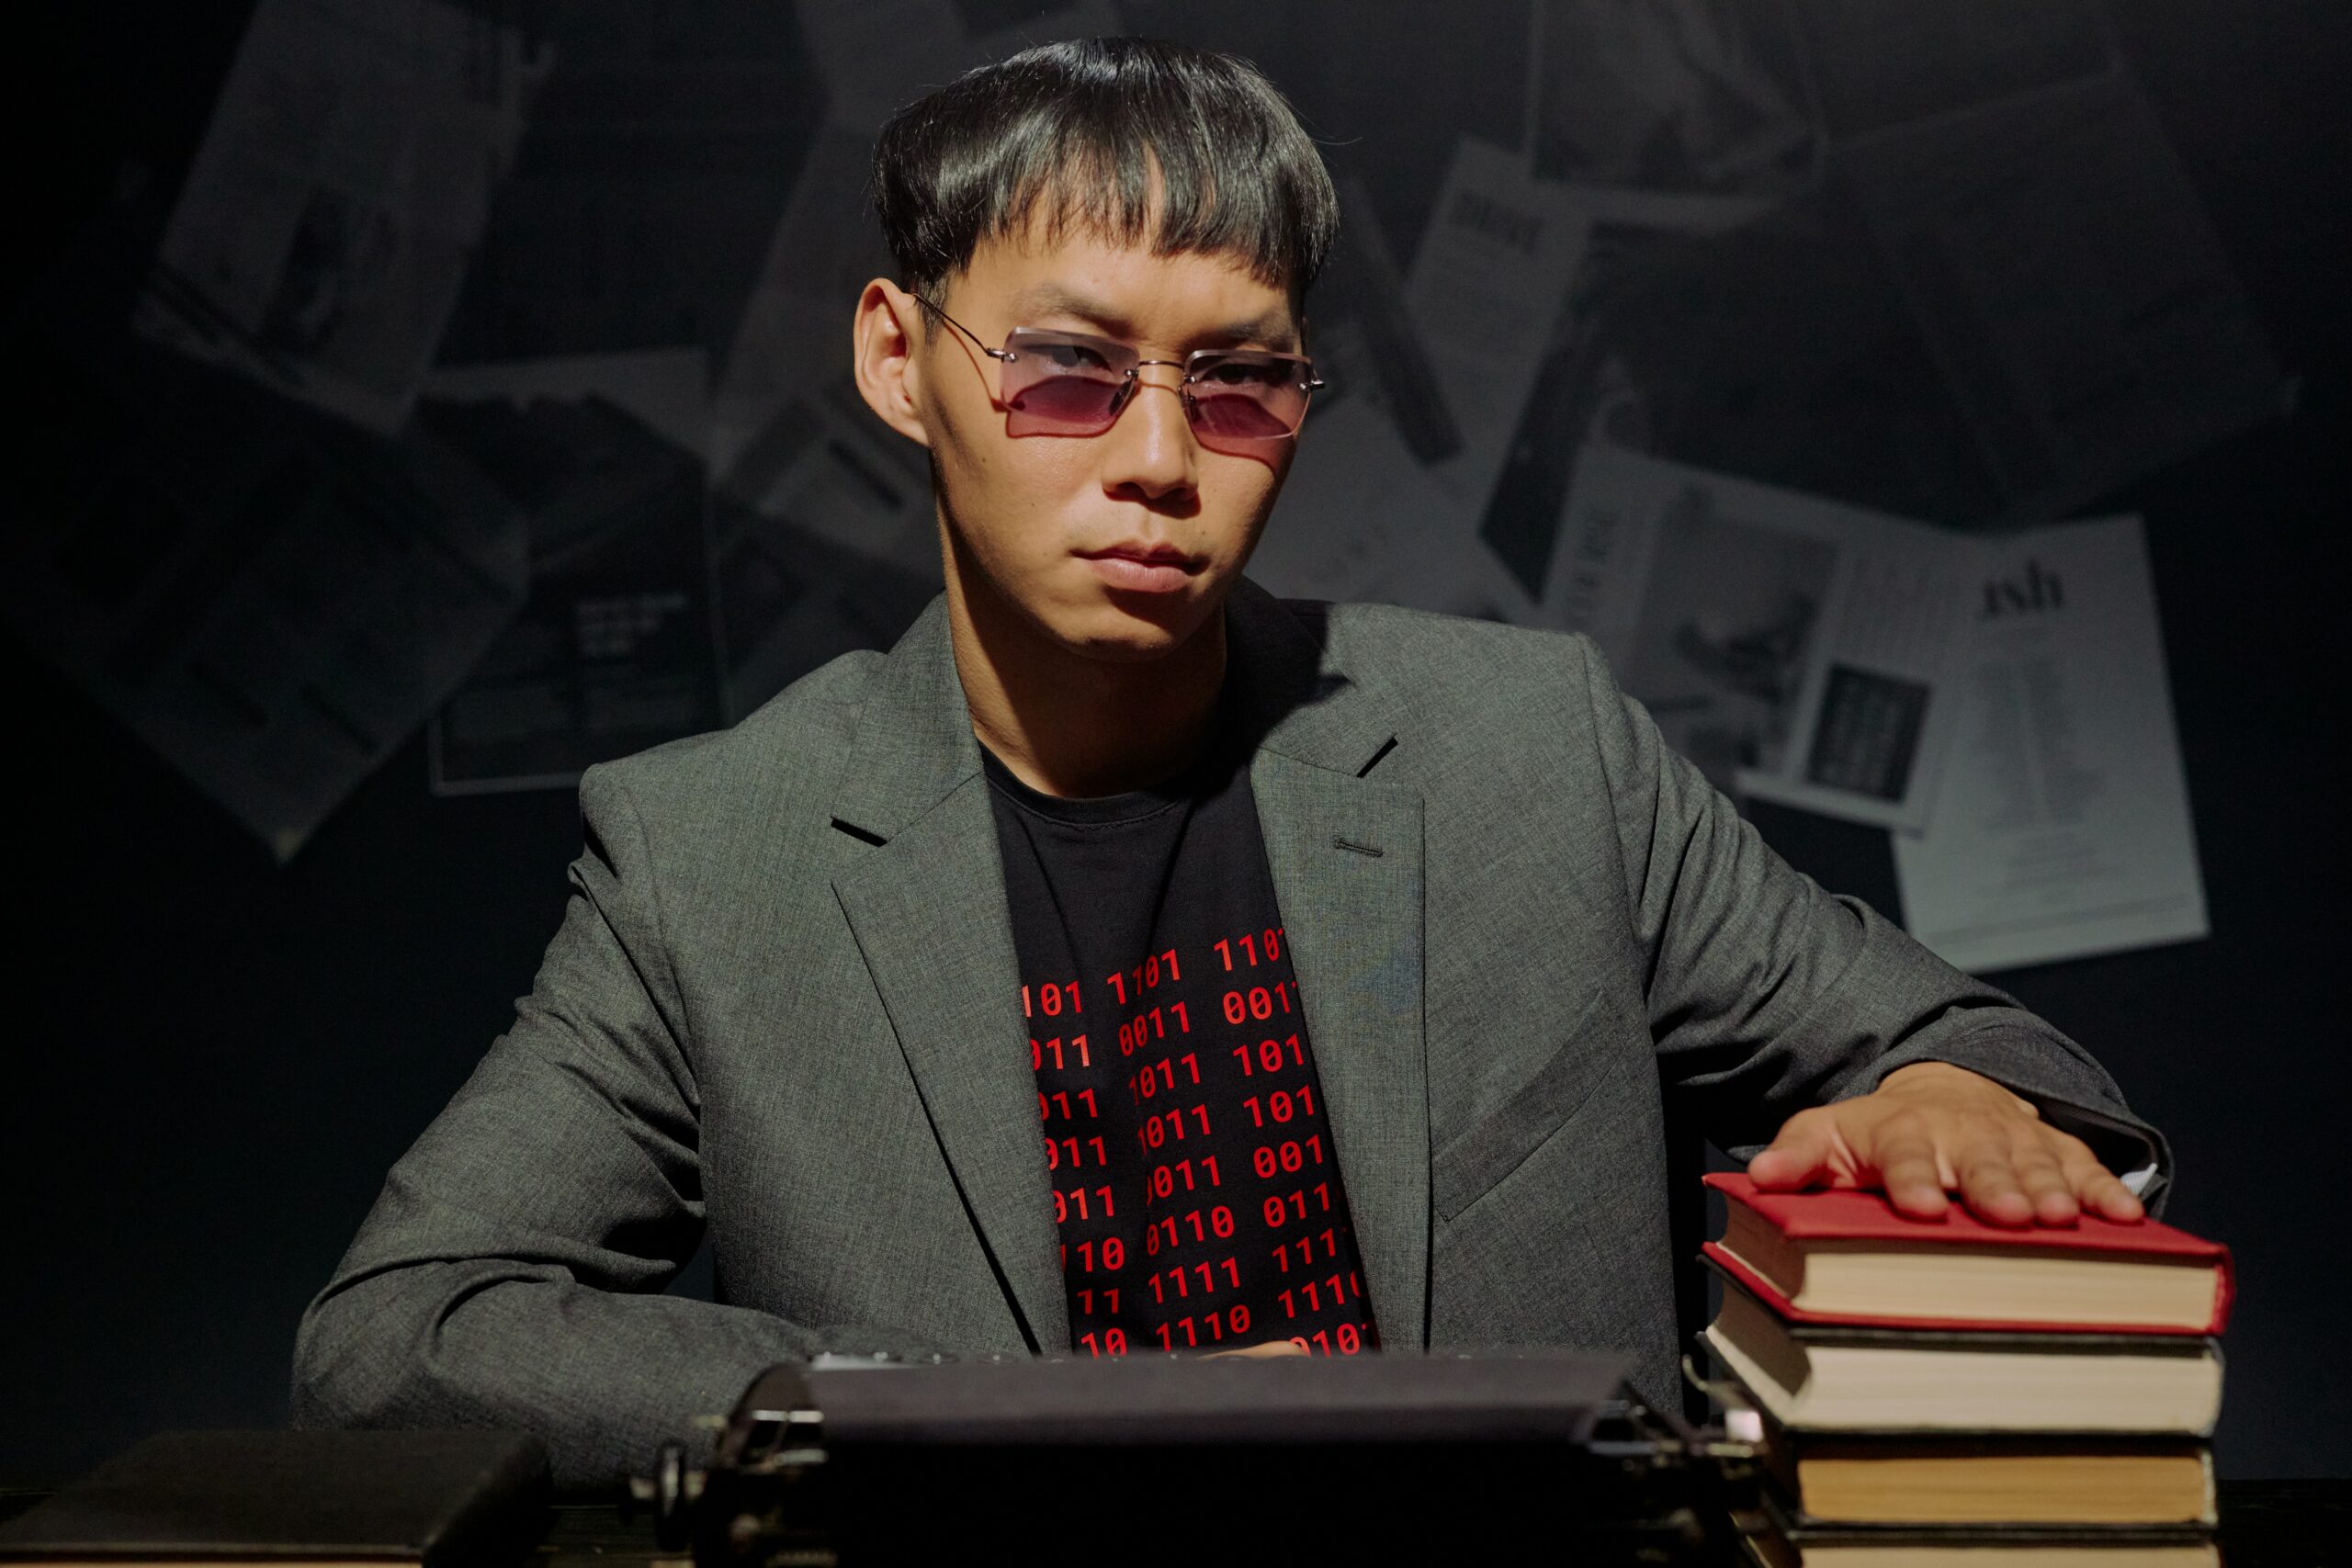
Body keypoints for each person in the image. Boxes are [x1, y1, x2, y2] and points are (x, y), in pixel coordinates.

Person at [292, 37, 2165, 1491]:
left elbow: (1996, 1055)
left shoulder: (1524, 749)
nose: (1161, 457)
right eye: (1064, 372)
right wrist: (960, 1416)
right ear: (894, 357)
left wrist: (1952, 1099)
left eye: (1242, 379)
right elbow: (399, 1331)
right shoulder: (717, 852)